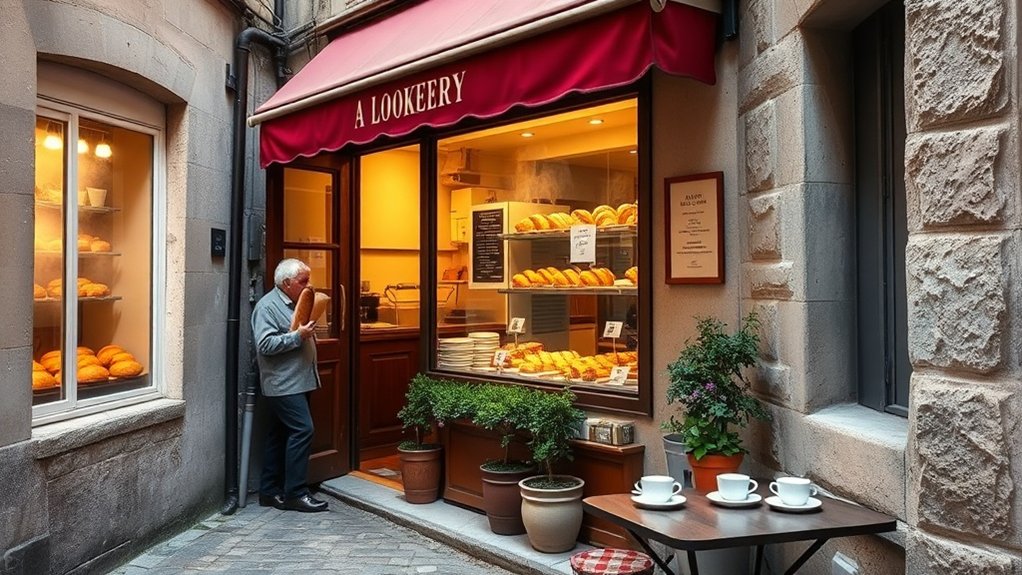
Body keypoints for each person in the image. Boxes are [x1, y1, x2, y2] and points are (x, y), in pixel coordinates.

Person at [251, 258, 328, 512]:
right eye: (303, 281)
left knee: (279, 434)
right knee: (303, 430)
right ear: (286, 283)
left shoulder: (297, 302)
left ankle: (269, 491)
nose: (309, 286)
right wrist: (298, 336)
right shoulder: (267, 307)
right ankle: (295, 492)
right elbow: (265, 345)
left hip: (298, 380)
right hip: (283, 384)